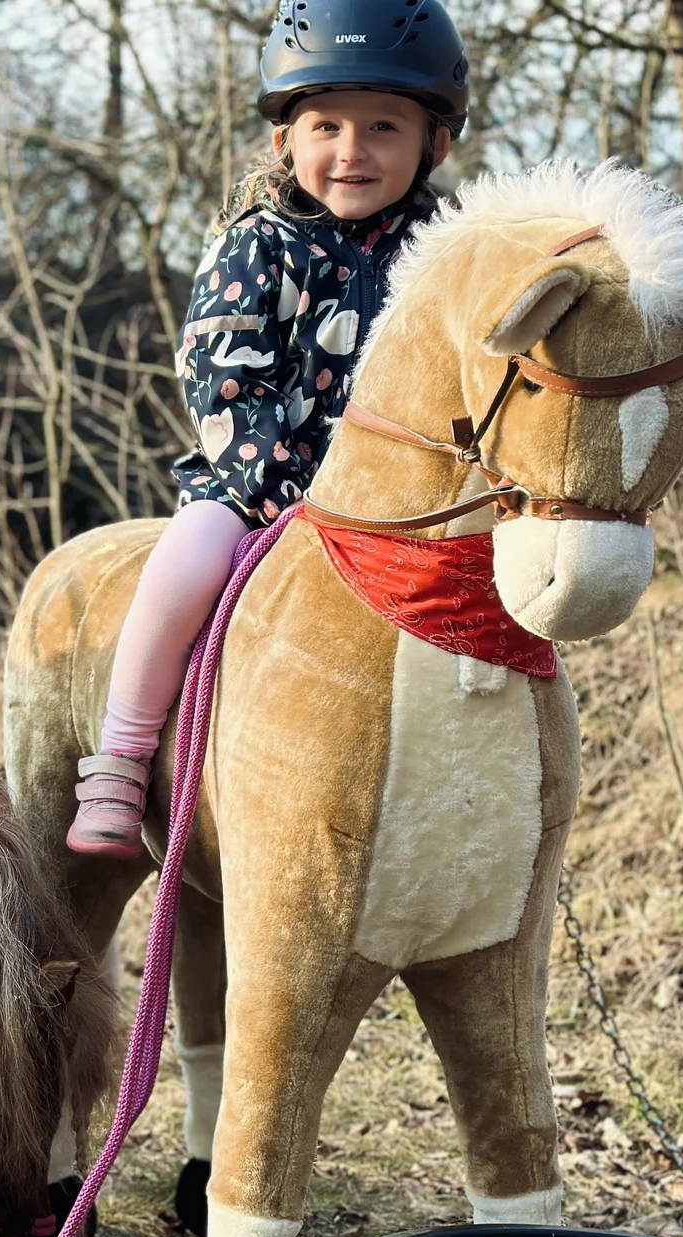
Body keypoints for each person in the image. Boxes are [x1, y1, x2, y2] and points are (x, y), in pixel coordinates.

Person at [65, 0, 470, 857]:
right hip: (260, 487)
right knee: (192, 553)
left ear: (434, 143)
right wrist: (282, 488)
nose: (353, 150)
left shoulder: (448, 252)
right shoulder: (259, 246)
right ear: (286, 140)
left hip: (405, 499)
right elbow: (222, 379)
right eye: (327, 125)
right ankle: (123, 755)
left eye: (384, 126)